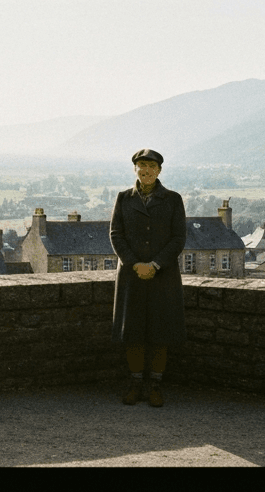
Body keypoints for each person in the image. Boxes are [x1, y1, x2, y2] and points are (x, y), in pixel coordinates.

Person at [110, 148, 187, 407]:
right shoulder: (123, 199)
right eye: (142, 166)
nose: (146, 171)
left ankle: (154, 386)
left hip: (162, 276)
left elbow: (178, 238)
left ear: (159, 171)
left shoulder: (174, 200)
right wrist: (134, 265)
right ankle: (134, 384)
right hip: (132, 276)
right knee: (132, 332)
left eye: (151, 167)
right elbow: (115, 235)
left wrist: (154, 264)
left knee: (160, 332)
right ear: (135, 169)